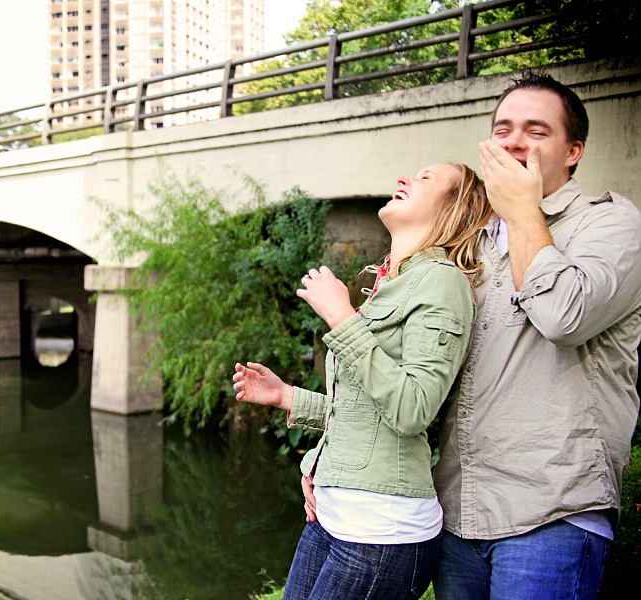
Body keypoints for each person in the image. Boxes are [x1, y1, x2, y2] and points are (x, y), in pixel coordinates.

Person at [233, 163, 492, 600]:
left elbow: (412, 410)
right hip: (334, 519)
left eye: (427, 178)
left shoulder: (443, 282)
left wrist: (341, 316)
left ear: (454, 209)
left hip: (382, 533)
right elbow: (366, 410)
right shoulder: (392, 284)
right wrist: (285, 396)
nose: (406, 178)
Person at [431, 72, 641, 600]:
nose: (514, 141)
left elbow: (562, 316)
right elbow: (418, 372)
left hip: (553, 514)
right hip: (457, 514)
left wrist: (522, 207)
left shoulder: (611, 225)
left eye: (536, 130)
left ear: (574, 151)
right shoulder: (469, 242)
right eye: (502, 129)